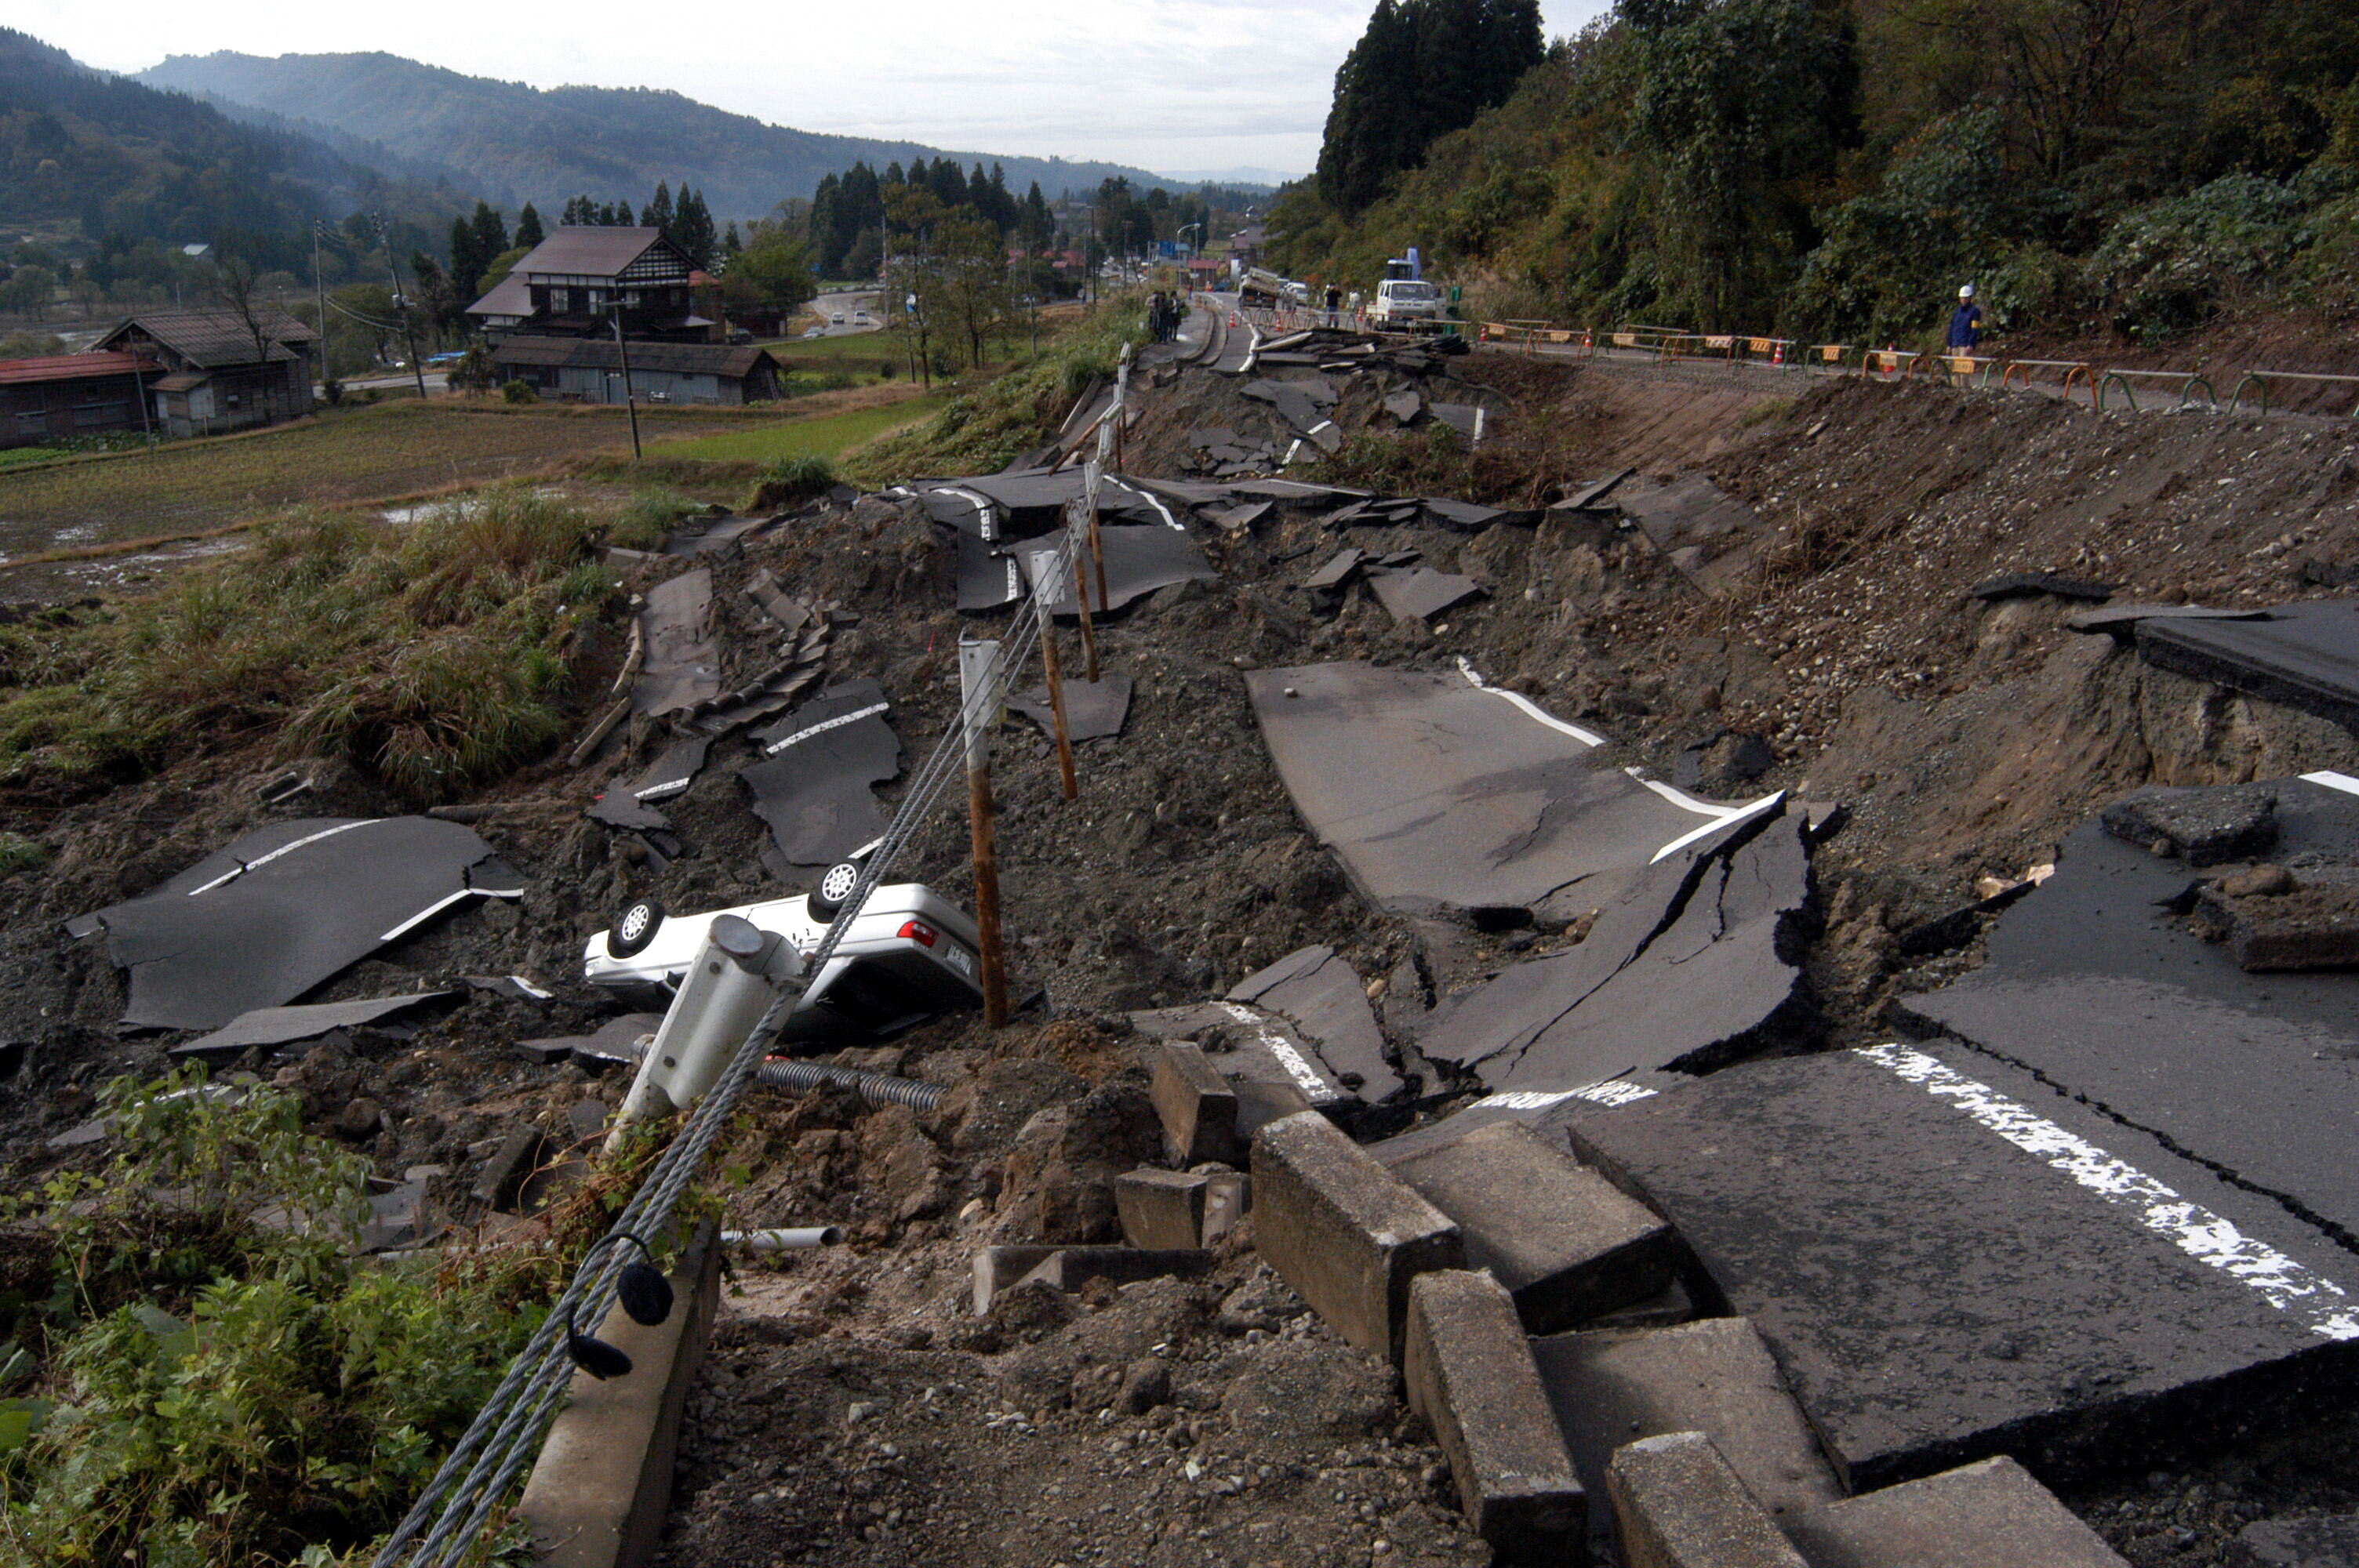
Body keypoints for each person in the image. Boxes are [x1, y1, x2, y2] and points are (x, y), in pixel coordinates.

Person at [1947, 284, 1984, 352]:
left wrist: (1971, 344)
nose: (1964, 299)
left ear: (1970, 298)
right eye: (1962, 297)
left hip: (1965, 345)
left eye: (1966, 298)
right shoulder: (1957, 312)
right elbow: (1952, 328)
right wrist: (1949, 344)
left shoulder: (1974, 311)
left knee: (1964, 363)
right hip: (1955, 344)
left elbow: (1975, 329)